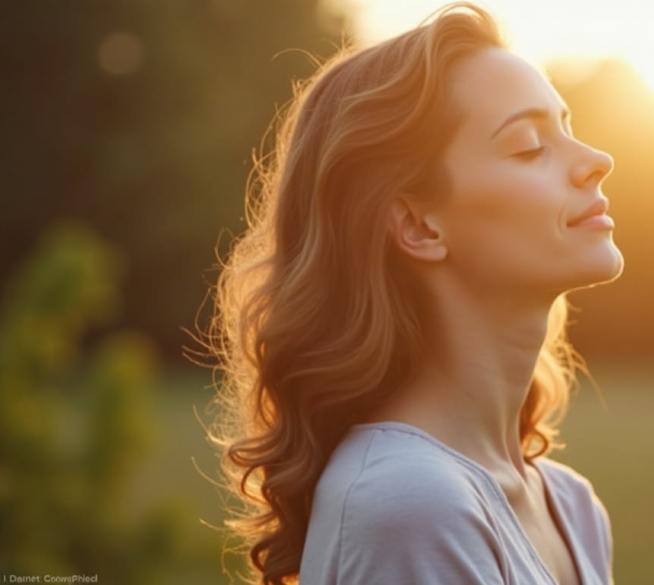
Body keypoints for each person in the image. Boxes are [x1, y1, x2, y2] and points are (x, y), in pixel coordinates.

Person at [202, 2, 623, 584]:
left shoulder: (572, 507)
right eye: (530, 146)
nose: (597, 161)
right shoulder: (409, 506)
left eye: (569, 129)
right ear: (419, 226)